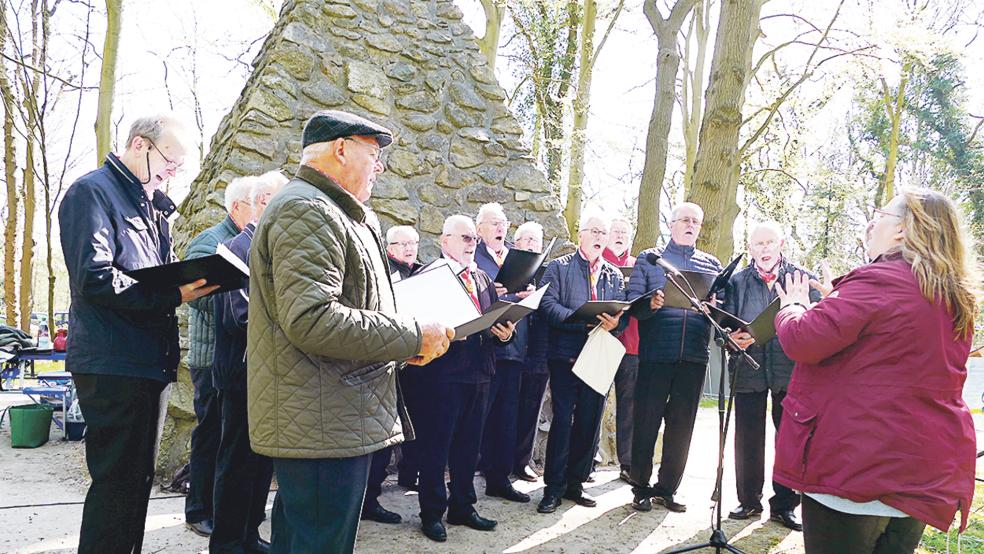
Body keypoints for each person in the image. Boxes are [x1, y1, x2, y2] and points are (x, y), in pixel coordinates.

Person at [247, 110, 454, 554]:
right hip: (322, 419)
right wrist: (411, 336)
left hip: (331, 413)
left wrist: (404, 343)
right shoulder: (307, 210)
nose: (380, 167)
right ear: (341, 149)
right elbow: (313, 319)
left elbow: (360, 308)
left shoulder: (340, 213)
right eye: (373, 154)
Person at [773, 189, 979, 553]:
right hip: (918, 472)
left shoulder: (879, 281)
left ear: (901, 230)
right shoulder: (952, 293)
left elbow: (803, 340)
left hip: (858, 467)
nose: (871, 224)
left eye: (880, 215)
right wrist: (838, 300)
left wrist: (793, 307)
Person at [59, 114, 217, 553]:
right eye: (170, 160)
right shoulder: (92, 192)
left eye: (179, 165)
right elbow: (94, 277)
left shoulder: (153, 207)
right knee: (116, 484)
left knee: (136, 482)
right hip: (113, 363)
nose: (173, 172)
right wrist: (172, 293)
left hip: (148, 362)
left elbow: (150, 273)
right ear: (140, 145)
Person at [404, 214, 516, 543]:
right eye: (465, 238)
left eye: (474, 240)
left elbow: (492, 324)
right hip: (441, 376)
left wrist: (506, 334)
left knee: (469, 447)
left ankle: (463, 506)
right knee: (435, 448)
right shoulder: (429, 276)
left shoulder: (481, 277)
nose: (472, 245)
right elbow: (416, 324)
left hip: (480, 374)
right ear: (445, 241)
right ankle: (431, 513)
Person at [722, 221, 820, 532]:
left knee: (789, 440)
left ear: (781, 245)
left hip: (789, 371)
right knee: (747, 439)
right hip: (747, 369)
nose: (764, 249)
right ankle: (749, 500)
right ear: (750, 248)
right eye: (758, 244)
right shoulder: (736, 282)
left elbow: (818, 322)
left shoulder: (801, 278)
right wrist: (730, 339)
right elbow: (723, 324)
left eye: (770, 243)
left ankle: (785, 505)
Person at [209, 171, 288, 553]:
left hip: (269, 376)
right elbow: (237, 316)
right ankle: (226, 542)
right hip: (241, 376)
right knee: (237, 462)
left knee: (261, 465)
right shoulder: (234, 250)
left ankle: (250, 534)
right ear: (264, 202)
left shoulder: (273, 249)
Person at [628, 202, 721, 513]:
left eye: (696, 221)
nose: (691, 225)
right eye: (685, 220)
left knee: (682, 426)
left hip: (694, 354)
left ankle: (667, 489)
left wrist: (712, 307)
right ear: (671, 224)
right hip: (656, 352)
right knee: (647, 421)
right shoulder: (650, 258)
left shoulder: (711, 264)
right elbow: (632, 303)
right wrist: (651, 303)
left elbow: (722, 309)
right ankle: (640, 486)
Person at [536, 211, 626, 514]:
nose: (599, 237)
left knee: (590, 421)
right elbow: (547, 304)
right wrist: (578, 320)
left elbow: (622, 312)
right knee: (563, 420)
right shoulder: (559, 267)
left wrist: (616, 324)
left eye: (603, 233)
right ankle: (553, 488)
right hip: (566, 354)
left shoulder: (614, 274)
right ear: (581, 234)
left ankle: (576, 483)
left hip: (599, 354)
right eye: (594, 231)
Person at [182, 172, 255, 537]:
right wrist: (240, 302)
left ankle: (225, 512)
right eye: (258, 203)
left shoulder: (251, 243)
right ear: (237, 207)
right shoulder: (209, 243)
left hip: (235, 359)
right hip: (212, 359)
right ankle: (198, 510)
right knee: (211, 435)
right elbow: (199, 299)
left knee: (231, 441)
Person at [474, 203, 535, 504]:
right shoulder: (474, 258)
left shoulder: (516, 257)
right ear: (479, 229)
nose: (500, 228)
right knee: (479, 419)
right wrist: (494, 293)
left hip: (514, 347)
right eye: (493, 223)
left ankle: (500, 480)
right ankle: (465, 484)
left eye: (504, 223)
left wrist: (529, 294)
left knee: (507, 418)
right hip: (483, 350)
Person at [511, 222, 550, 482]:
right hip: (510, 349)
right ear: (516, 244)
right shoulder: (508, 269)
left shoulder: (550, 271)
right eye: (525, 239)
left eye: (535, 240)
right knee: (505, 410)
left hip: (539, 349)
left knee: (531, 410)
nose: (530, 244)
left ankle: (522, 462)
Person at [602, 217, 640, 482]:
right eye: (615, 231)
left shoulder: (639, 265)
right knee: (593, 403)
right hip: (602, 343)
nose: (619, 236)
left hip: (632, 345)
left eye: (625, 233)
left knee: (630, 406)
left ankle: (628, 463)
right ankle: (587, 462)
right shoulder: (597, 263)